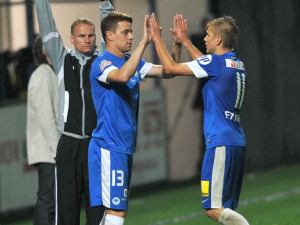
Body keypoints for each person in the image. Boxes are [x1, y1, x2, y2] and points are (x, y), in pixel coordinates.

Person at [149, 13, 249, 225]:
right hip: (235, 141)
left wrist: (156, 39)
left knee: (213, 209)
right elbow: (206, 65)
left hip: (220, 143)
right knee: (226, 208)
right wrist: (184, 42)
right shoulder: (235, 63)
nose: (204, 39)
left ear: (218, 40)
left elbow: (170, 69)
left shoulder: (215, 62)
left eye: (208, 35)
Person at [88, 10, 181, 225]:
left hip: (123, 146)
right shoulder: (101, 64)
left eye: (132, 32)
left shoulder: (133, 62)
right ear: (109, 35)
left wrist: (177, 44)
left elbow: (170, 71)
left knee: (115, 212)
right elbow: (121, 76)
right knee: (116, 212)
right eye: (126, 32)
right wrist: (143, 42)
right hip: (108, 146)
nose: (131, 36)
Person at [35, 0, 114, 224]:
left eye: (90, 35)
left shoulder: (102, 60)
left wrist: (104, 4)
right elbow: (47, 26)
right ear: (71, 39)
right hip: (68, 145)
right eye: (81, 36)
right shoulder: (62, 60)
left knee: (97, 210)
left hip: (95, 145)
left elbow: (110, 32)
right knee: (67, 212)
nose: (87, 40)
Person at [26, 35, 60, 225]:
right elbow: (47, 118)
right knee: (48, 203)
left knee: (52, 203)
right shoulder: (42, 76)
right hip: (49, 154)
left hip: (50, 152)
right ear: (46, 52)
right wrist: (58, 151)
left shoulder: (48, 74)